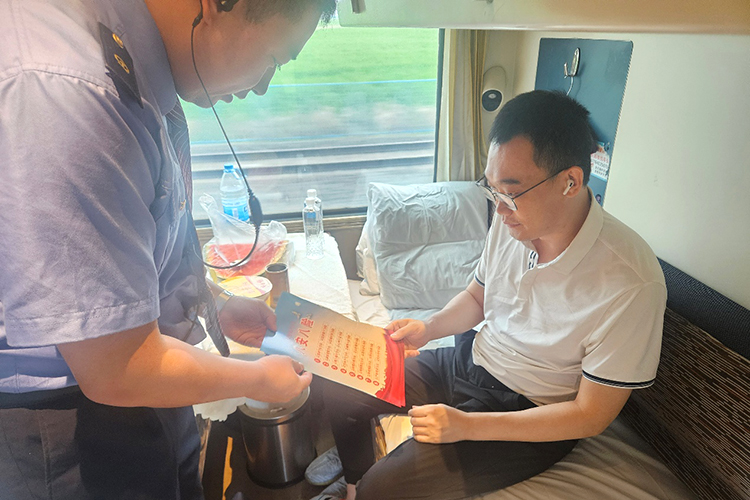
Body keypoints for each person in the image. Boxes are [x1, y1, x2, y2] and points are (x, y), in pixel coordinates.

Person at [0, 0, 335, 498]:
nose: (264, 85)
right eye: (274, 58)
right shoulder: (72, 92)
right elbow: (114, 368)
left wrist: (213, 305)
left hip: (145, 377)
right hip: (74, 420)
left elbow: (133, 250)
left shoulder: (145, 67)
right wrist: (256, 379)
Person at [316, 90, 667, 500]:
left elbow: (590, 416)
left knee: (385, 487)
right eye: (492, 188)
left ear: (570, 182)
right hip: (470, 362)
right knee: (339, 381)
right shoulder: (511, 219)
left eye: (510, 192)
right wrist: (429, 328)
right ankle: (352, 482)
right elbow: (478, 297)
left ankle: (366, 484)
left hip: (530, 409)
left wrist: (467, 426)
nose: (499, 209)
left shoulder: (630, 281)